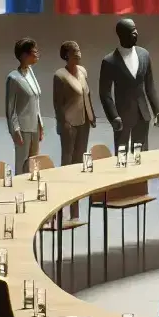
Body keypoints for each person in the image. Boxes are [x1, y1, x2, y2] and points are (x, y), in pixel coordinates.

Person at [100, 18, 159, 156]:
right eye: (131, 31)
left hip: (142, 113)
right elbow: (105, 93)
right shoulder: (110, 61)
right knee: (122, 153)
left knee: (141, 154)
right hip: (122, 116)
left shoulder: (144, 55)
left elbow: (150, 85)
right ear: (121, 35)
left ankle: (142, 178)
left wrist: (156, 109)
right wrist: (113, 116)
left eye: (135, 30)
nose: (135, 34)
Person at [52, 40, 96, 218]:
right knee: (67, 164)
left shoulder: (83, 71)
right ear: (66, 54)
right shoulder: (60, 75)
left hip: (84, 121)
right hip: (69, 123)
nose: (78, 52)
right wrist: (63, 123)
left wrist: (91, 115)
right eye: (74, 50)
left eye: (79, 49)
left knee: (79, 164)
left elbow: (87, 94)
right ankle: (61, 205)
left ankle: (75, 211)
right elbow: (57, 103)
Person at [5, 37, 44, 174]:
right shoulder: (14, 77)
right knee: (22, 164)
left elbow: (36, 99)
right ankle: (20, 193)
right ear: (24, 55)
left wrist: (40, 124)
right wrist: (15, 130)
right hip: (23, 128)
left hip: (34, 126)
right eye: (34, 52)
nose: (37, 54)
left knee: (34, 164)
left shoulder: (31, 72)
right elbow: (10, 109)